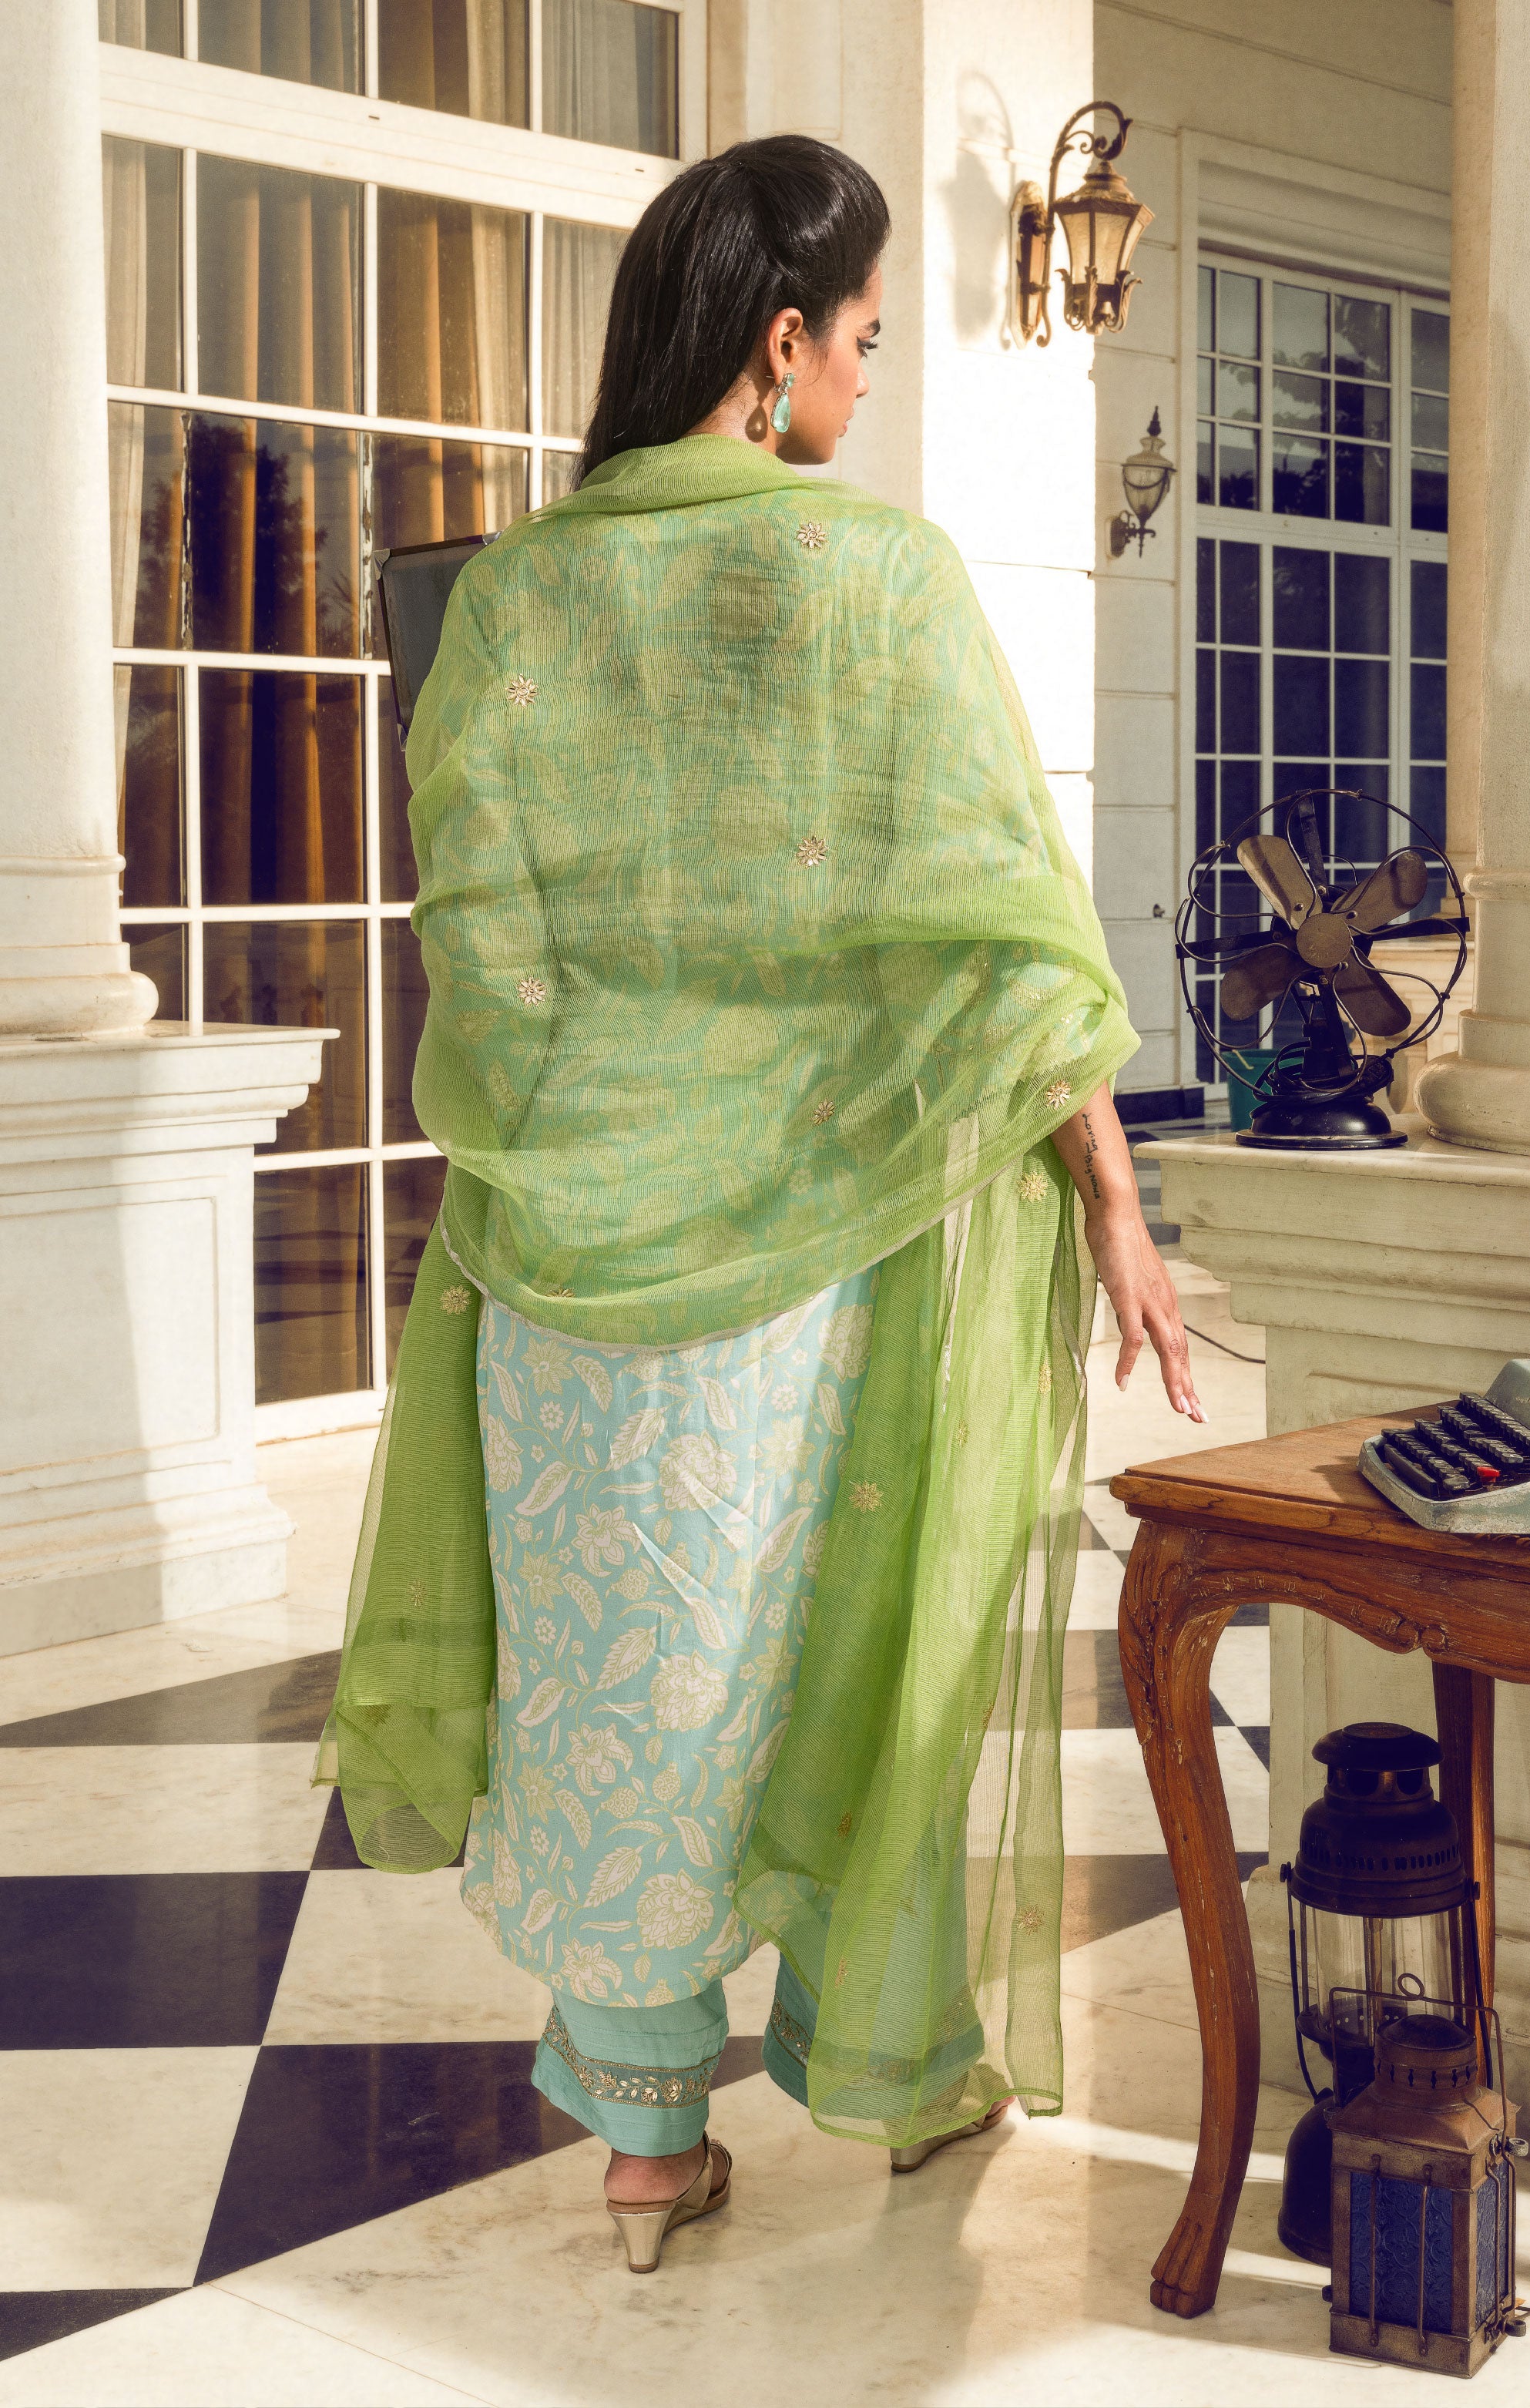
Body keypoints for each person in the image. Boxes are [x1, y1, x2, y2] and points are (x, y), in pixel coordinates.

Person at [318, 132, 1201, 2278]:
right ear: (779, 344)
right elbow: (998, 927)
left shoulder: (510, 599)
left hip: (555, 1243)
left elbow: (483, 945)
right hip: (804, 1249)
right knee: (815, 1655)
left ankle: (644, 2140)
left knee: (614, 1682)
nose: (867, 386)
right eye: (865, 343)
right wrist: (1108, 1193)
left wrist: (558, 1136)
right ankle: (883, 2048)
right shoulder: (873, 577)